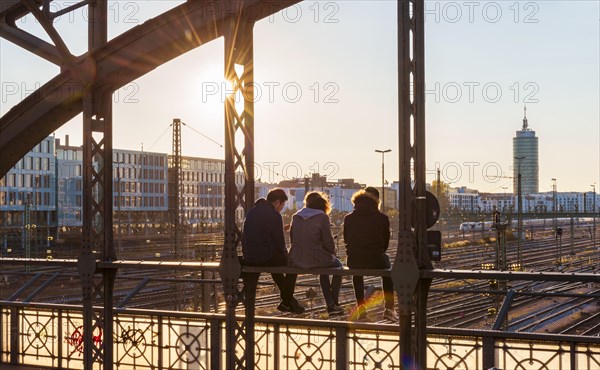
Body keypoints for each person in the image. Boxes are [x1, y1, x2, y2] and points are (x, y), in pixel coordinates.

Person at [242, 188, 304, 313]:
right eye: (283, 204)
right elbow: (279, 242)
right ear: (277, 202)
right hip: (266, 257)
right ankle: (287, 301)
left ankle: (289, 302)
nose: (282, 208)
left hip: (250, 257)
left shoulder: (251, 212)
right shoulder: (274, 215)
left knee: (276, 265)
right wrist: (287, 256)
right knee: (294, 265)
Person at [343, 186, 397, 321]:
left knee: (357, 272)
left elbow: (346, 240)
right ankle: (389, 308)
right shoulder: (382, 218)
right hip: (376, 259)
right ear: (377, 200)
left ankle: (361, 309)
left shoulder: (348, 218)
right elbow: (385, 243)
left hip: (354, 260)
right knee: (387, 271)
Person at [288, 192, 344, 316]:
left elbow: (292, 239)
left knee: (325, 268)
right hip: (317, 257)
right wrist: (332, 254)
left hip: (297, 258)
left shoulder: (296, 216)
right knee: (338, 267)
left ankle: (332, 305)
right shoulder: (322, 217)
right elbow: (328, 241)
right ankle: (333, 303)